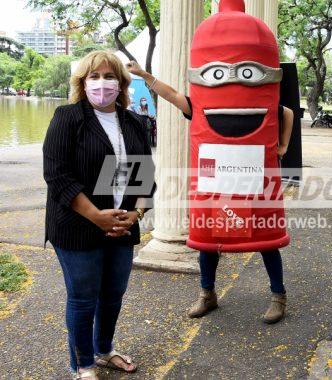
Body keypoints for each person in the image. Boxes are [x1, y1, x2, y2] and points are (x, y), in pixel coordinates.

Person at [125, 60, 295, 325]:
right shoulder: (201, 106)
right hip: (216, 187)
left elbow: (287, 113)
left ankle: (278, 296)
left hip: (254, 187)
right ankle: (207, 294)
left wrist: (283, 145)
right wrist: (144, 75)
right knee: (207, 241)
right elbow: (170, 94)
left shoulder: (261, 105)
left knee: (267, 241)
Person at [43, 51, 155, 380]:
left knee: (112, 295)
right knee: (83, 298)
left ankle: (103, 351)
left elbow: (144, 175)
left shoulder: (135, 121)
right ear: (82, 82)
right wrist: (97, 216)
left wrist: (136, 212)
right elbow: (57, 176)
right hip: (77, 227)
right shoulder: (67, 118)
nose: (102, 83)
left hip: (122, 226)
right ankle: (83, 364)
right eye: (94, 77)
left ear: (121, 84)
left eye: (109, 77)